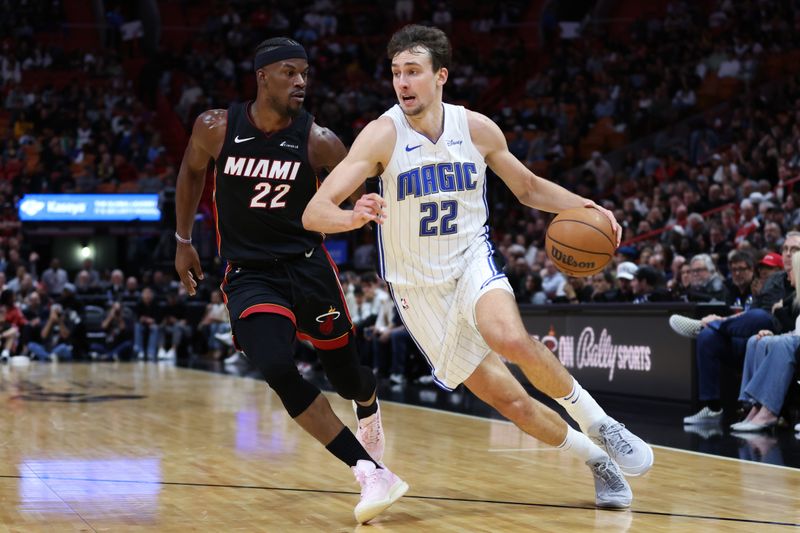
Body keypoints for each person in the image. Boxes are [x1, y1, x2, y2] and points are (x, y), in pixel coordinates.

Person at [303, 24, 653, 509]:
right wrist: (352, 215)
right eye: (396, 74)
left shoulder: (477, 128)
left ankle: (601, 423)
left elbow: (528, 188)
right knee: (511, 403)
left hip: (471, 261)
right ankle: (597, 460)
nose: (402, 83)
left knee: (509, 337)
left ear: (440, 76)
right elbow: (314, 212)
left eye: (413, 72)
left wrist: (588, 207)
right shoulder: (382, 135)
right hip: (417, 290)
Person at [173, 37, 407, 524]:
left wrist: (357, 214)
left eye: (304, 73)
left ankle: (368, 403)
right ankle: (370, 471)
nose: (300, 81)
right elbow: (191, 173)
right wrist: (183, 239)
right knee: (277, 366)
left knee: (346, 377)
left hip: (307, 268)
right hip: (251, 274)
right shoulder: (216, 127)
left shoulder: (319, 140)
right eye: (289, 72)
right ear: (262, 76)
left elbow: (356, 201)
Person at [671, 233, 800, 424]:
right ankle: (712, 407)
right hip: (756, 337)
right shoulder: (774, 280)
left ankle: (707, 325)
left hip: (782, 336)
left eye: (794, 250)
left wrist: (719, 320)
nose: (788, 254)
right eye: (785, 249)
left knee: (762, 317)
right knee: (709, 337)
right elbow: (750, 313)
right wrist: (722, 320)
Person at [729, 251, 800, 432]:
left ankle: (768, 410)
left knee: (781, 344)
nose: (786, 274)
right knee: (757, 340)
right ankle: (754, 406)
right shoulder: (794, 298)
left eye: (790, 270)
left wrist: (783, 331)